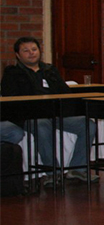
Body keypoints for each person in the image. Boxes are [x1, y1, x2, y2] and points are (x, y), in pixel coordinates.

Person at [1, 37, 98, 185]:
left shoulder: (49, 70)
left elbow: (65, 93)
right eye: (26, 51)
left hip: (56, 114)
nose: (31, 53)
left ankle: (78, 169)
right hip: (30, 115)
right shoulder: (12, 73)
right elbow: (11, 98)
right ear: (18, 55)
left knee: (87, 124)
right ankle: (53, 172)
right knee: (42, 126)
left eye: (34, 49)